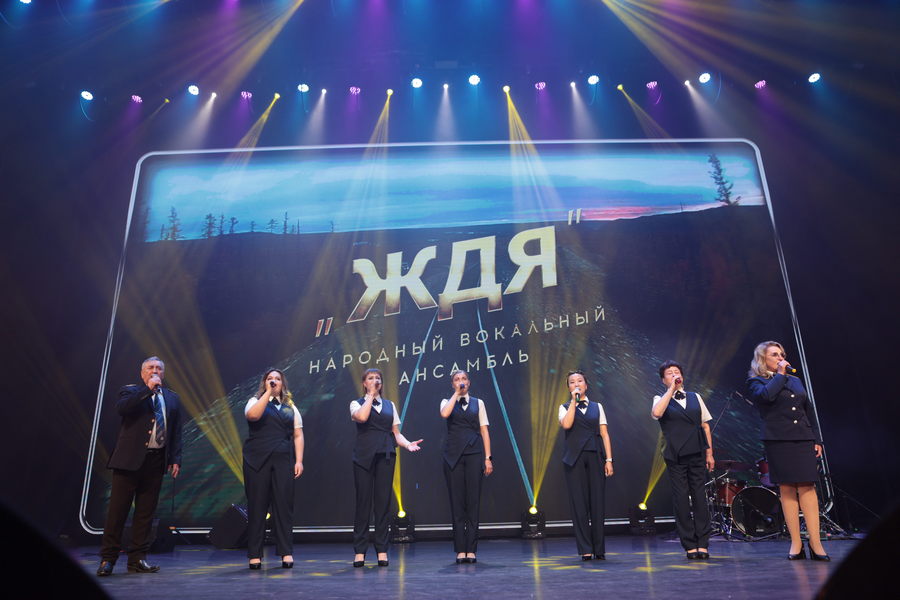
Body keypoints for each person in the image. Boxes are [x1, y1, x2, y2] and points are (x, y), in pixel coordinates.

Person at [97, 356, 183, 576]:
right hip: (128, 461)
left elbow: (176, 431)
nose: (155, 371)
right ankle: (108, 559)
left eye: (159, 368)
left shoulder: (172, 398)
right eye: (150, 368)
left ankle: (137, 559)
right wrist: (147, 390)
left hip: (156, 461)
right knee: (117, 512)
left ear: (163, 373)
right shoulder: (131, 392)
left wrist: (175, 458)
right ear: (142, 372)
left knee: (145, 514)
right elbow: (123, 409)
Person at [746, 341, 829, 561]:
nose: (781, 358)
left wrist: (816, 439)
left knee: (808, 487)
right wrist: (781, 375)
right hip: (778, 439)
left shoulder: (795, 380)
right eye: (775, 355)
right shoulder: (756, 381)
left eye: (782, 354)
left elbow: (807, 409)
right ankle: (796, 542)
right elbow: (766, 397)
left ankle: (816, 542)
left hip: (802, 437)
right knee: (787, 489)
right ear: (763, 359)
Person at [350, 368, 423, 567]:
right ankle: (360, 551)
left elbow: (396, 433)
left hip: (386, 455)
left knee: (382, 504)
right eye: (371, 378)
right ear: (364, 383)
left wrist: (407, 444)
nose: (375, 380)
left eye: (378, 378)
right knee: (363, 504)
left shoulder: (390, 405)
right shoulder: (356, 403)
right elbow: (362, 417)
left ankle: (382, 550)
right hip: (364, 457)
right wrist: (370, 396)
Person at [651, 360, 715, 560]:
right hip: (675, 455)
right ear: (663, 380)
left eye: (676, 372)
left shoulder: (695, 397)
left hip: (697, 451)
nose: (674, 375)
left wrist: (709, 454)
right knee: (681, 499)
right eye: (669, 373)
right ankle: (689, 544)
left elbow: (705, 426)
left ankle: (703, 543)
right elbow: (656, 413)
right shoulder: (659, 399)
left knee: (700, 498)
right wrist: (671, 390)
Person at [243, 369, 304, 569]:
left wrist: (299, 460)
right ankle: (255, 554)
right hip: (257, 460)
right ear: (264, 383)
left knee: (283, 507)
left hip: (283, 460)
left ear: (283, 383)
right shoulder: (255, 401)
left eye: (277, 379)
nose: (274, 381)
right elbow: (253, 416)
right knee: (257, 506)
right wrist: (267, 394)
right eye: (270, 379)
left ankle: (286, 552)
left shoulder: (290, 407)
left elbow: (298, 434)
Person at [559, 370, 614, 560]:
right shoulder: (564, 407)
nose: (576, 384)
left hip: (595, 455)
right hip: (574, 459)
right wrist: (573, 403)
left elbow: (604, 434)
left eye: (580, 381)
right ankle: (585, 549)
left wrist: (609, 459)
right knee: (579, 504)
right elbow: (567, 425)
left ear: (586, 385)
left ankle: (599, 549)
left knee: (597, 502)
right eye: (572, 382)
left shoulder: (597, 407)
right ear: (569, 388)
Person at [440, 370, 493, 564]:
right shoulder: (446, 402)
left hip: (474, 454)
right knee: (457, 504)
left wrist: (488, 458)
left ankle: (471, 549)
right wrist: (456, 394)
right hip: (453, 456)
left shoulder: (478, 403)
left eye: (463, 379)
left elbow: (484, 431)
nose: (460, 382)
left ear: (469, 383)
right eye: (456, 380)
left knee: (473, 502)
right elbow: (444, 414)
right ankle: (460, 549)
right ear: (452, 384)